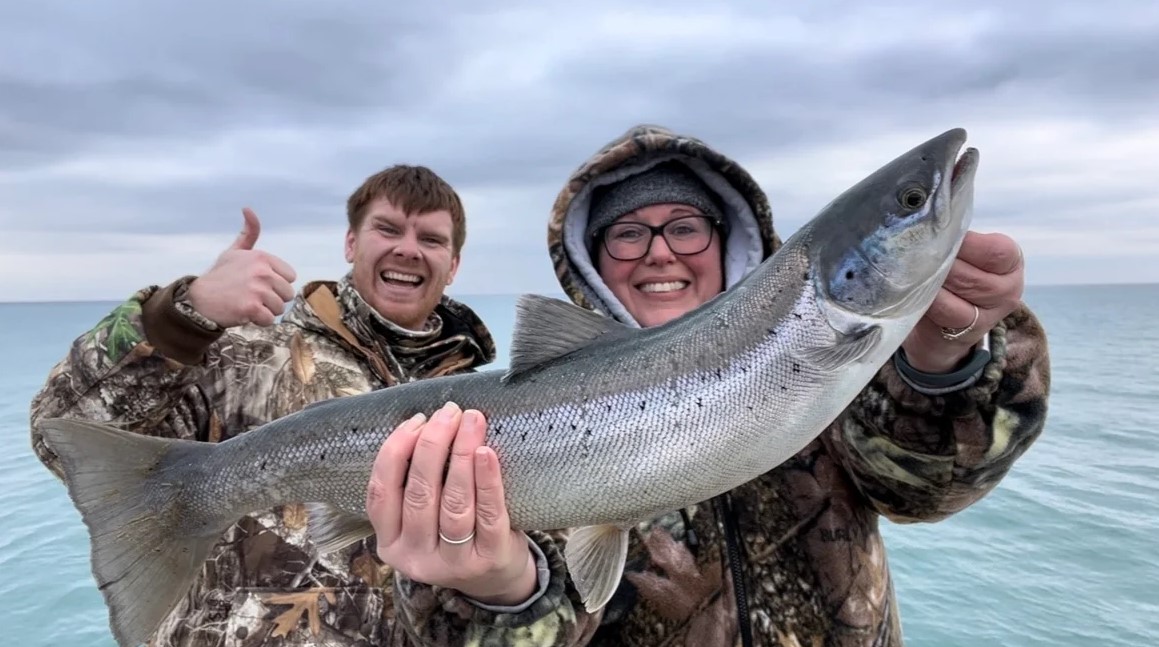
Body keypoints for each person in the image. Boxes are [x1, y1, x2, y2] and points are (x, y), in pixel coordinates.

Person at [374, 125, 1051, 647]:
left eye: (686, 227)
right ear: (590, 257)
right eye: (628, 234)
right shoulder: (498, 427)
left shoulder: (843, 351)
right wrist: (495, 587)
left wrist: (943, 356)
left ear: (729, 240)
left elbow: (926, 488)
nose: (660, 251)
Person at [28, 165, 521, 646]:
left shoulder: (497, 414)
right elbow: (63, 435)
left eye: (431, 240)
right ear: (352, 243)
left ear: (453, 265)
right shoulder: (243, 352)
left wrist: (500, 585)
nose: (408, 249)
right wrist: (181, 319)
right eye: (388, 229)